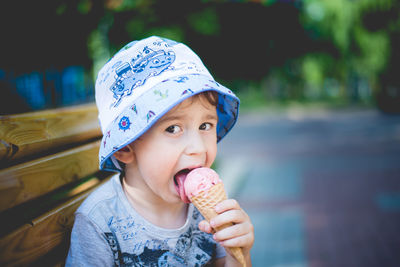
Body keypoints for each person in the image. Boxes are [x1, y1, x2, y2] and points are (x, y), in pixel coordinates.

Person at [66, 36, 254, 266]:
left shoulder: (209, 210)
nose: (198, 148)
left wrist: (238, 253)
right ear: (125, 147)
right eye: (173, 129)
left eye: (205, 126)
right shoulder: (99, 221)